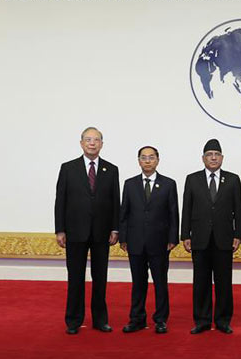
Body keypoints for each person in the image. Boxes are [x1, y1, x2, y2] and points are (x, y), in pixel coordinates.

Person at [54, 127, 120, 335]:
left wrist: (115, 228)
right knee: (75, 277)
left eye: (96, 140)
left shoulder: (111, 169)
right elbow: (60, 201)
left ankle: (100, 320)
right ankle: (73, 320)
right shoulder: (68, 168)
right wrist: (60, 229)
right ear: (81, 143)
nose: (92, 143)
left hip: (102, 232)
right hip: (75, 231)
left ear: (102, 144)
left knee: (100, 277)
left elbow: (115, 202)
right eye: (88, 140)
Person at [181, 139, 241, 334]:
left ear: (222, 158)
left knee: (224, 282)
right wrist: (185, 235)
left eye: (217, 154)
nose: (213, 158)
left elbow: (238, 211)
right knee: (201, 282)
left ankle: (223, 320)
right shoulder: (192, 179)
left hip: (224, 239)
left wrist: (238, 234)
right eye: (209, 154)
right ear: (203, 158)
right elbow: (187, 209)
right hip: (199, 238)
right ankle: (202, 320)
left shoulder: (233, 180)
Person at [119, 145, 178, 334]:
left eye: (151, 157)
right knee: (138, 282)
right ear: (138, 161)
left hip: (160, 242)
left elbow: (173, 214)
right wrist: (123, 237)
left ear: (158, 160)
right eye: (143, 158)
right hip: (135, 242)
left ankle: (160, 320)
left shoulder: (169, 184)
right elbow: (124, 213)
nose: (147, 161)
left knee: (160, 283)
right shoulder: (130, 184)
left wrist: (172, 238)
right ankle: (137, 319)